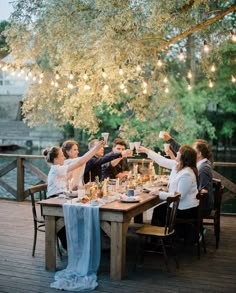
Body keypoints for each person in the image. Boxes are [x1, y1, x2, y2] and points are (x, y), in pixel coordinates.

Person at [43, 141, 104, 250]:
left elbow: (64, 187)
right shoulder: (57, 168)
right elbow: (80, 162)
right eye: (62, 156)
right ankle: (71, 246)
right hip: (53, 203)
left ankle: (79, 243)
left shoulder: (59, 168)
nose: (63, 158)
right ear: (56, 159)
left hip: (62, 199)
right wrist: (95, 149)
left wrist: (80, 188)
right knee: (80, 213)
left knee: (82, 210)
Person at [139, 145, 199, 242]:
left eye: (179, 152)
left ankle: (158, 240)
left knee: (159, 211)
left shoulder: (187, 174)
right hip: (180, 206)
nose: (177, 153)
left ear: (184, 157)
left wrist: (159, 193)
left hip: (186, 210)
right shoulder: (178, 166)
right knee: (159, 209)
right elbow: (162, 161)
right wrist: (147, 151)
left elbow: (180, 196)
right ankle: (158, 240)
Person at [161, 131, 214, 216]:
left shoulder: (203, 168)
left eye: (193, 150)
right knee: (165, 206)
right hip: (197, 203)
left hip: (202, 207)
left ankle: (171, 226)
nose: (191, 152)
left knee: (162, 209)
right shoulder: (201, 164)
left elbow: (202, 191)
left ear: (199, 154)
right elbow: (182, 157)